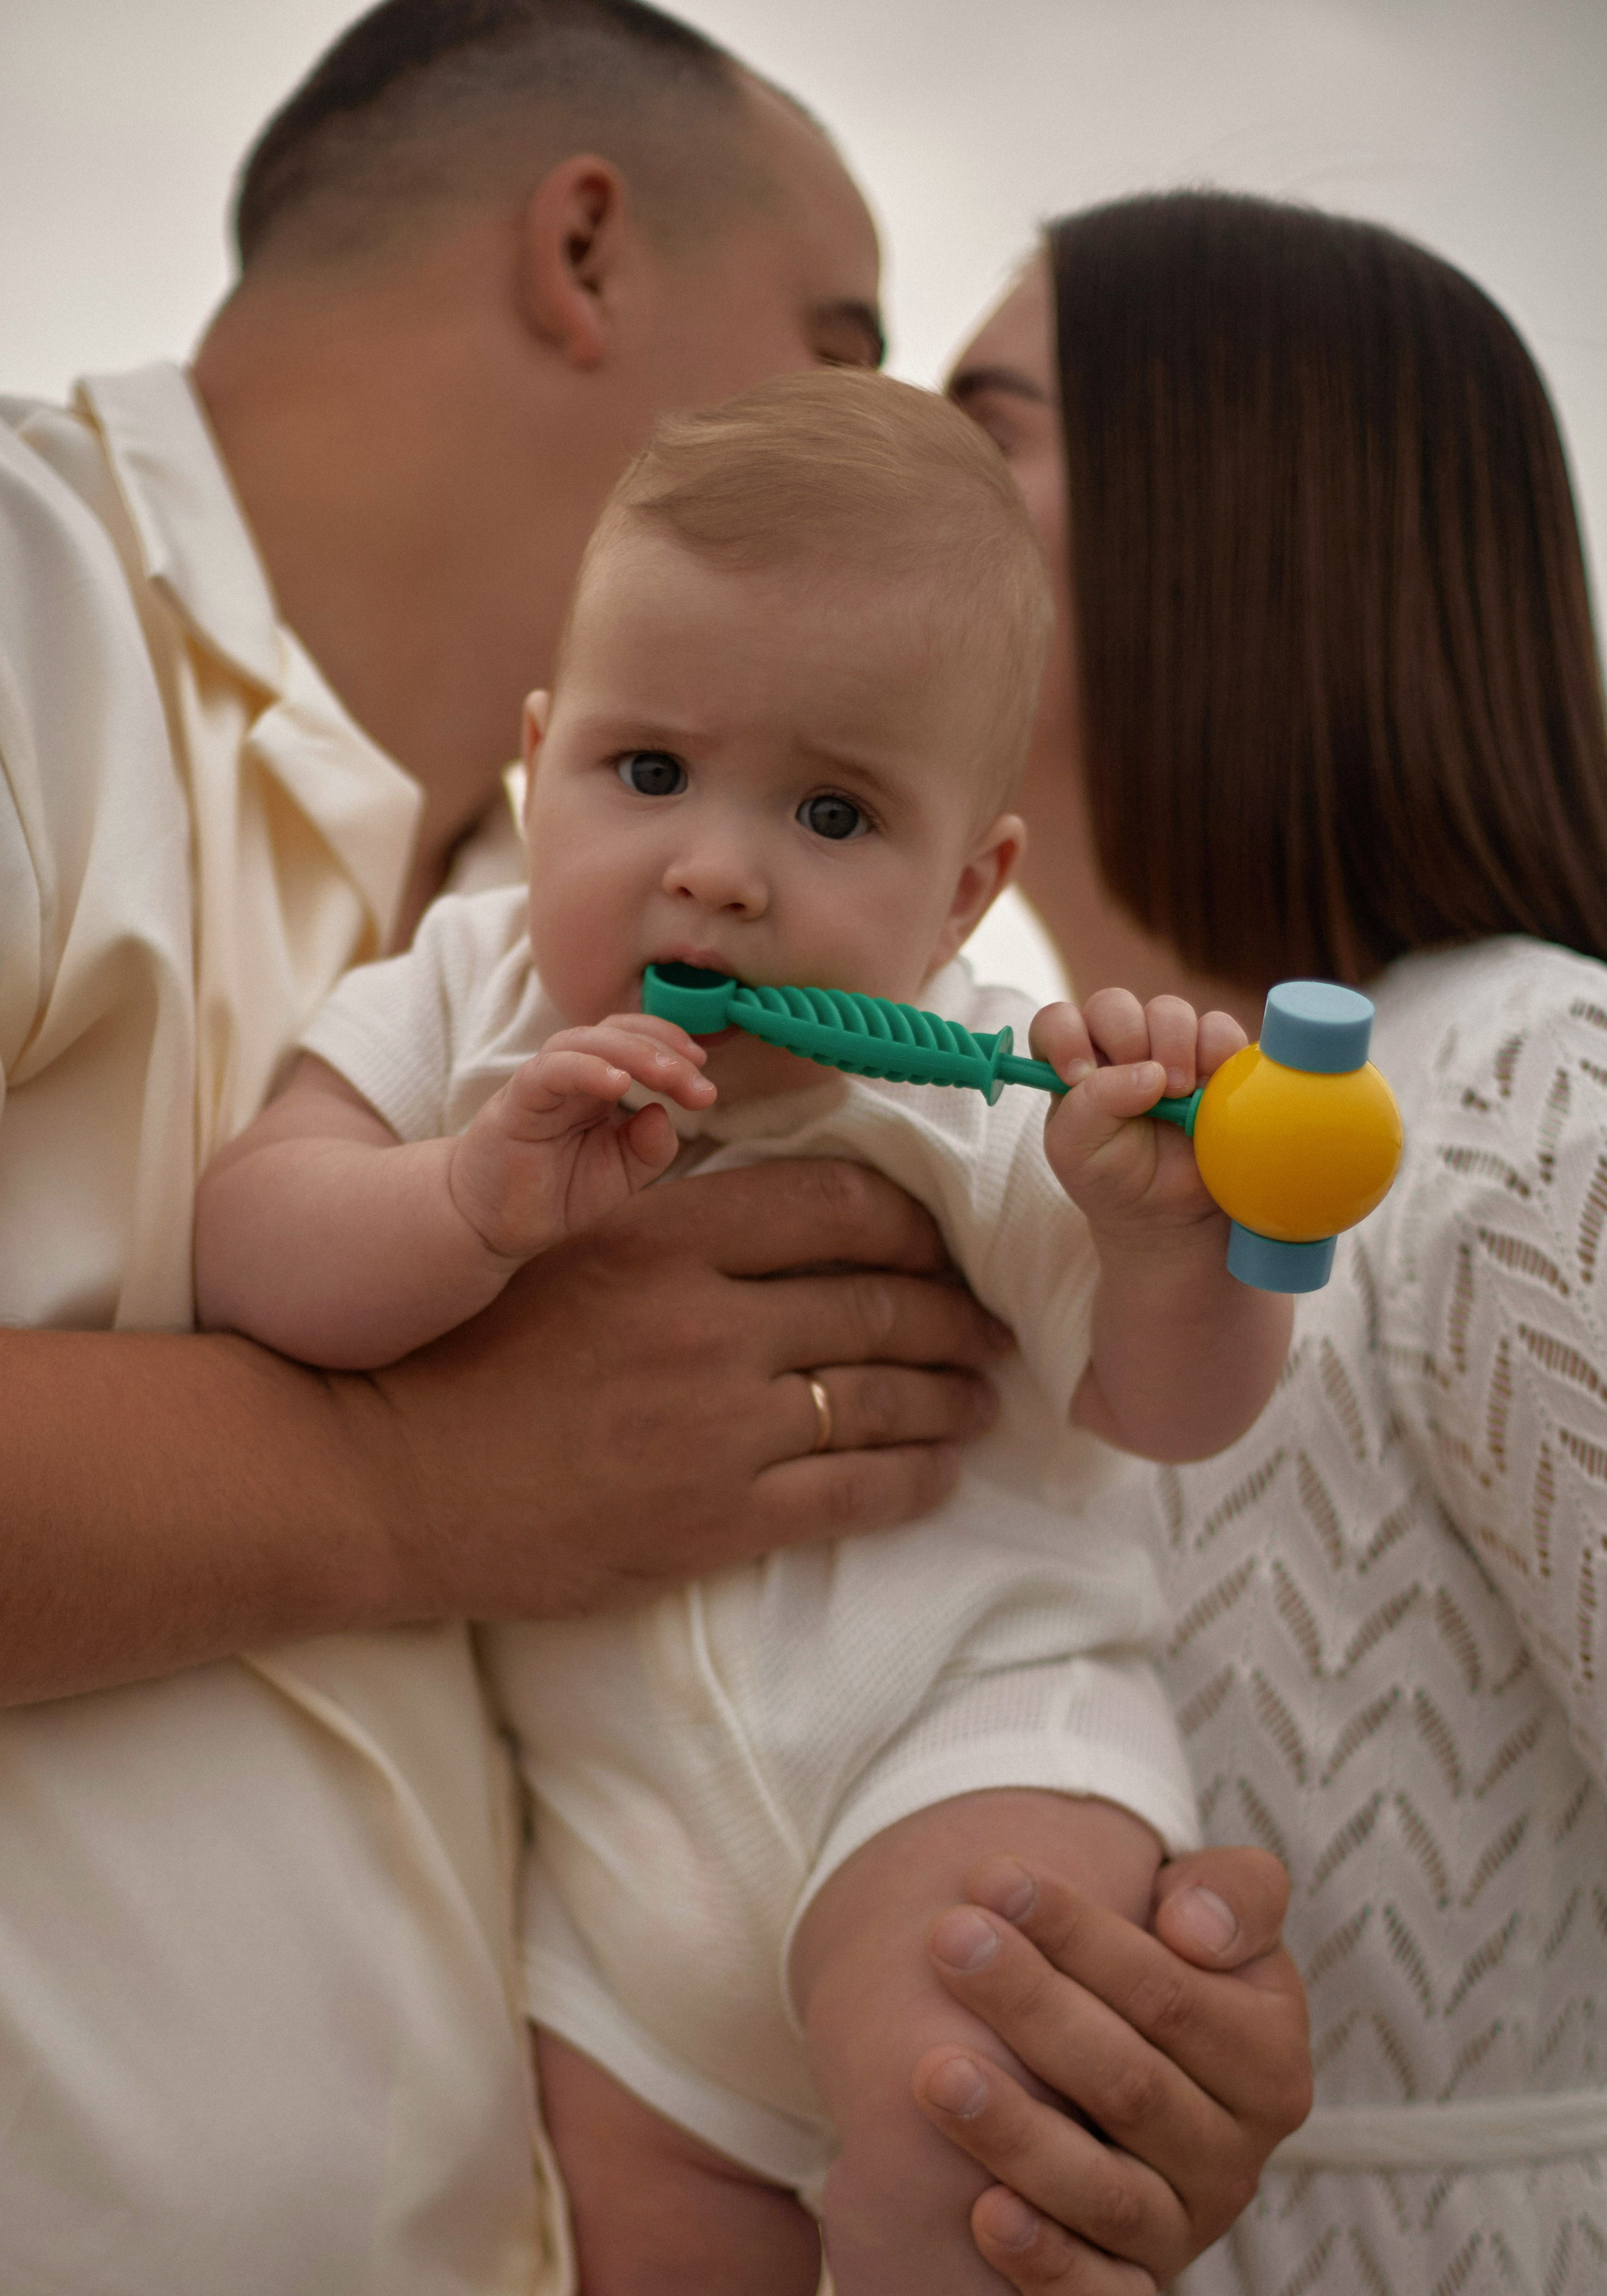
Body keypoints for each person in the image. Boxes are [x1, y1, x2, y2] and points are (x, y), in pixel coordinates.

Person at [0, 1, 1310, 2283]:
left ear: (966, 880)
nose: (719, 869)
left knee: (980, 2099)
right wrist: (426, 1424)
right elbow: (284, 1249)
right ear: (587, 247)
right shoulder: (58, 643)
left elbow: (1158, 1399)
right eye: (844, 337)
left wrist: (1178, 1236)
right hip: (621, 2028)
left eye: (829, 806)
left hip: (862, 1895)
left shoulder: (820, 1004)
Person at [932, 189, 1607, 2293]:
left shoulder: (1532, 1088)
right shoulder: (1020, 1159)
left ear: (1246, 501)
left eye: (988, 424)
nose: (896, 479)